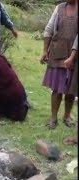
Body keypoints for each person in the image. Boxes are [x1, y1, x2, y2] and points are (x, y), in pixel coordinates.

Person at [40, 0, 78, 129]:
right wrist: (45, 50)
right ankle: (53, 118)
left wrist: (73, 57)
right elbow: (49, 29)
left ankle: (67, 116)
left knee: (71, 89)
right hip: (57, 52)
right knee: (56, 89)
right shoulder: (59, 8)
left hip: (75, 55)